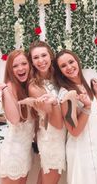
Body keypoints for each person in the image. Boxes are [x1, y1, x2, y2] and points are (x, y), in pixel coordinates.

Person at [54, 49, 97, 184]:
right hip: (81, 150)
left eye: (71, 62)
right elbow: (74, 131)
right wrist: (87, 107)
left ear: (77, 61)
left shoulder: (84, 84)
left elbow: (95, 109)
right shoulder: (65, 94)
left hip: (96, 145)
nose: (69, 67)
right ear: (59, 71)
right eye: (63, 66)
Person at [0, 50, 35, 184]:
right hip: (13, 151)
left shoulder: (28, 86)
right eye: (15, 66)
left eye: (24, 63)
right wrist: (5, 89)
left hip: (25, 150)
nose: (20, 68)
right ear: (10, 70)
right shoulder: (10, 87)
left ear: (30, 65)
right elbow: (14, 119)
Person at [28, 41, 66, 184]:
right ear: (31, 62)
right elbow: (56, 122)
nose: (41, 60)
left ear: (50, 56)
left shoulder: (59, 77)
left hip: (63, 135)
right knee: (51, 178)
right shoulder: (34, 86)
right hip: (51, 137)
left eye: (44, 55)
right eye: (36, 57)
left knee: (46, 177)